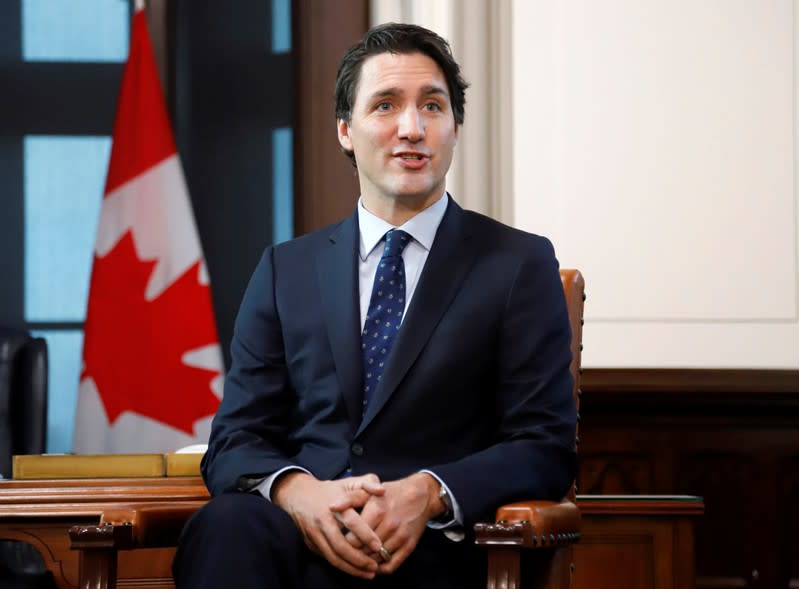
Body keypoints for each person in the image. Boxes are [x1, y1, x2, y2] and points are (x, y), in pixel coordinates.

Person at [173, 22, 577, 589]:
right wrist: (299, 492)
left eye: (432, 107)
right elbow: (236, 442)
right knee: (227, 527)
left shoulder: (517, 264)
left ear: (454, 128)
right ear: (346, 130)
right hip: (298, 532)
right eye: (385, 106)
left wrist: (430, 491)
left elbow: (544, 446)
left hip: (435, 548)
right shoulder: (284, 271)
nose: (411, 129)